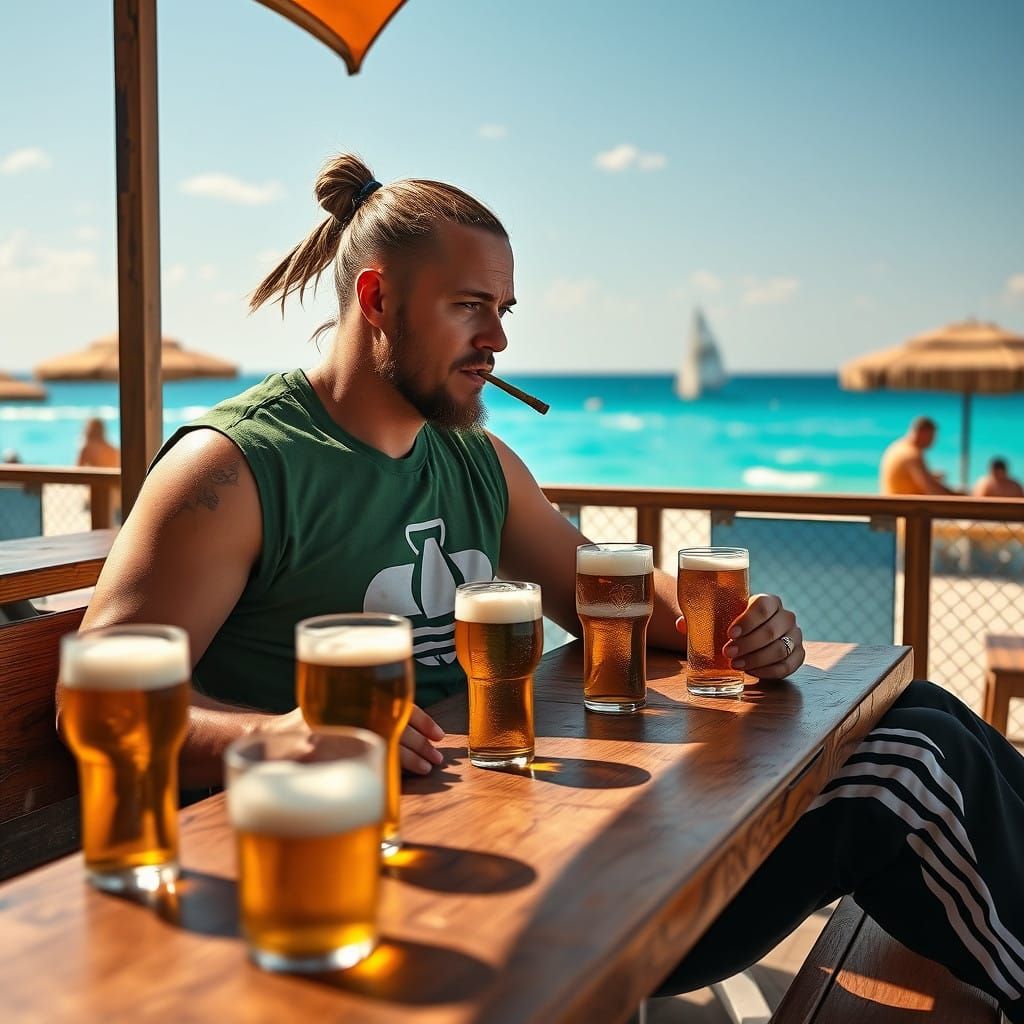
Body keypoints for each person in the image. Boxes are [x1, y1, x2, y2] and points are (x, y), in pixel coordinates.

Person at [76, 155, 1024, 1022]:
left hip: (539, 845)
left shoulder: (477, 460)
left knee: (925, 716)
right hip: (367, 897)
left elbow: (607, 597)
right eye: (470, 306)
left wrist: (741, 627)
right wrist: (277, 735)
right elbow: (98, 687)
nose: (496, 338)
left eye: (506, 312)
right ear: (377, 297)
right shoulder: (235, 468)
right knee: (904, 771)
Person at [879, 416, 960, 495]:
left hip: (894, 501)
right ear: (922, 432)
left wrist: (931, 476)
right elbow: (931, 490)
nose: (933, 441)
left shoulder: (897, 446)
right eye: (932, 436)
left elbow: (911, 479)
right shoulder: (911, 454)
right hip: (904, 506)